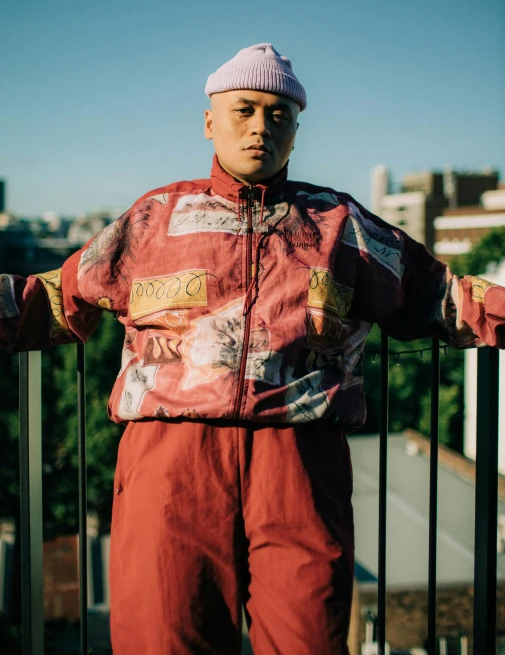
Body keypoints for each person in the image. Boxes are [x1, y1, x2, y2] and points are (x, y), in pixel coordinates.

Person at [1, 43, 504, 654]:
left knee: (308, 640)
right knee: (166, 638)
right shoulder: (153, 220)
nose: (261, 126)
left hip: (300, 466)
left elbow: (444, 299)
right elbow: (53, 300)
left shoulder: (341, 227)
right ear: (210, 120)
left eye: (279, 114)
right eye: (244, 110)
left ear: (296, 130)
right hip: (171, 467)